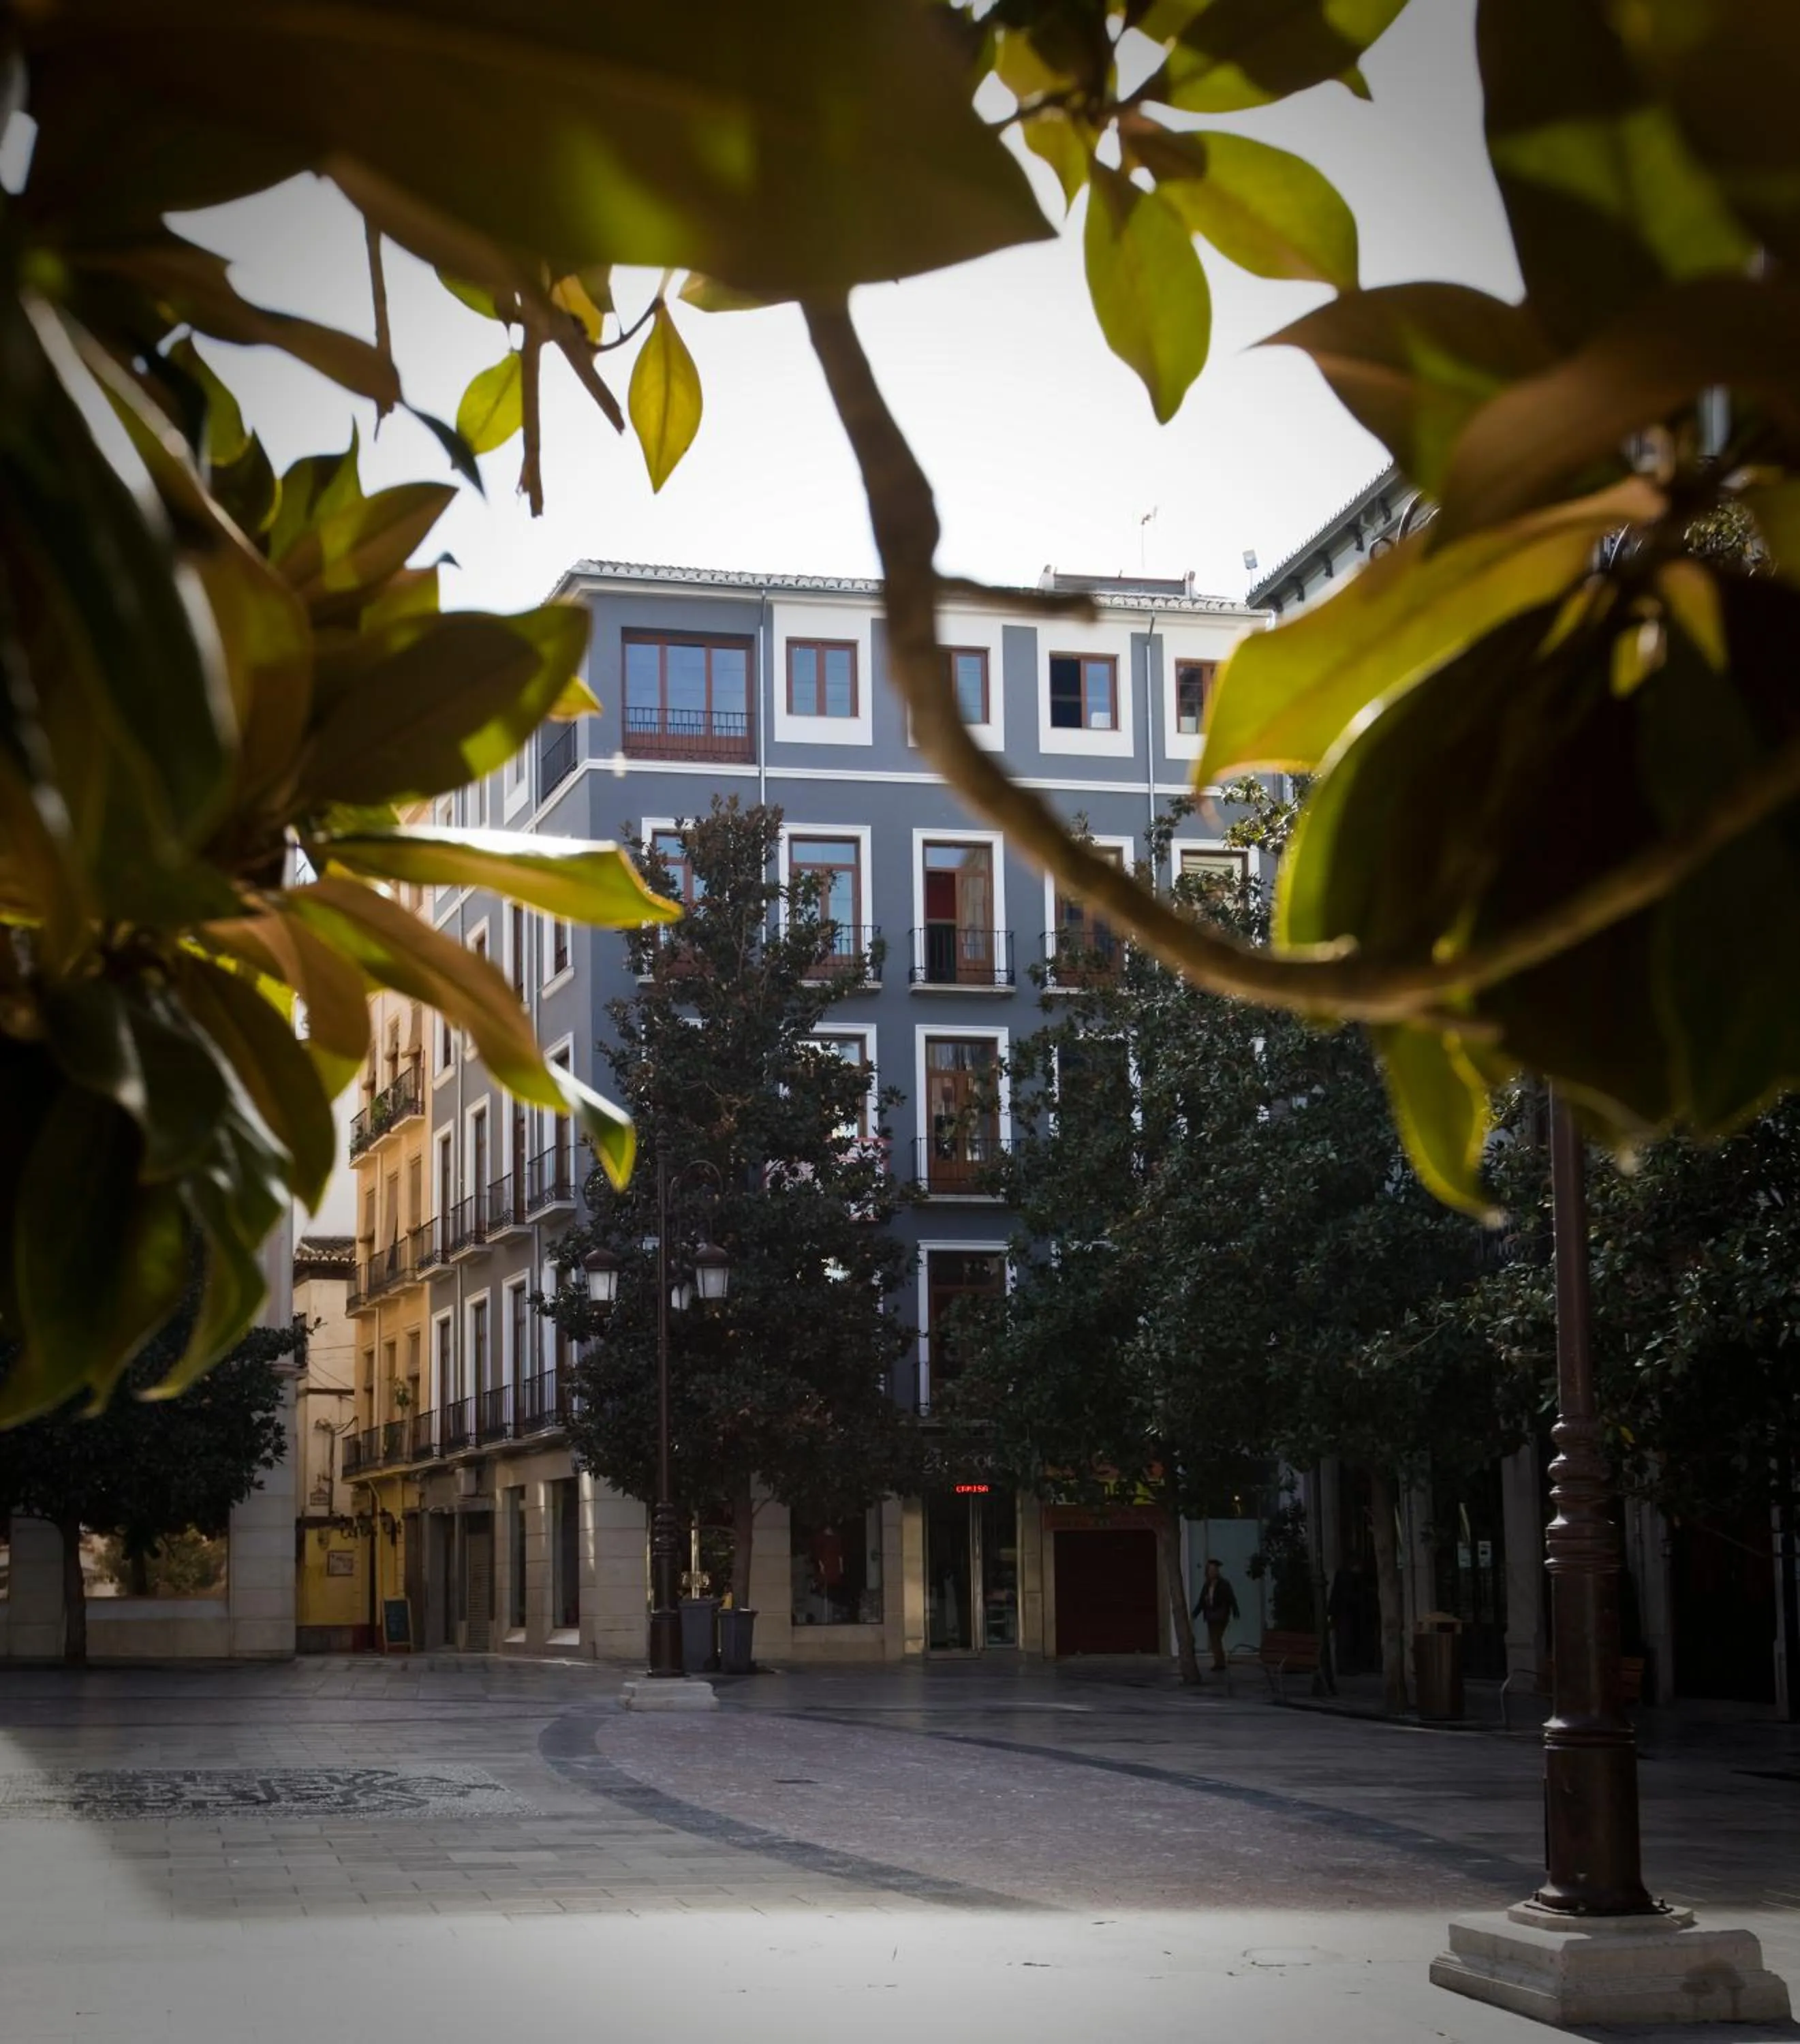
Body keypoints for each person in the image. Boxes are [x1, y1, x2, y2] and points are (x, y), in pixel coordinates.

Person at [1192, 1557, 1239, 1673]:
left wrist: (1235, 1611)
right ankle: (1219, 1662)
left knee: (1216, 1639)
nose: (1212, 1572)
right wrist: (1195, 1613)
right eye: (1210, 1570)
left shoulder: (1224, 1584)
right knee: (1214, 1640)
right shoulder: (1207, 1585)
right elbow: (1202, 1601)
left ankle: (1220, 1663)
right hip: (1210, 1615)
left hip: (1221, 1615)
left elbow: (1231, 1598)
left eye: (1214, 1570)